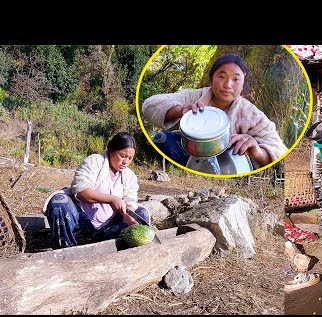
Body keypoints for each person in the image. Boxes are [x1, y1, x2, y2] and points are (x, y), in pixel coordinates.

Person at [141, 53, 288, 169]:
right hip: (189, 154)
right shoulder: (194, 97)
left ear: (243, 85)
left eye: (236, 79)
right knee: (163, 140)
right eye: (222, 76)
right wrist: (180, 110)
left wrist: (257, 151)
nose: (228, 85)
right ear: (212, 79)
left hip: (230, 166)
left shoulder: (251, 114)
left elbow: (280, 150)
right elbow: (150, 104)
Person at [43, 132, 150, 247]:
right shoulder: (95, 161)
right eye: (122, 156)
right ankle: (65, 250)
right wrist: (110, 199)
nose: (126, 162)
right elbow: (81, 191)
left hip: (109, 227)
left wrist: (130, 219)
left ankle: (120, 249)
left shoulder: (130, 176)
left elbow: (129, 202)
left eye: (130, 158)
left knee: (141, 214)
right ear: (111, 150)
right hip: (81, 222)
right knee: (59, 202)